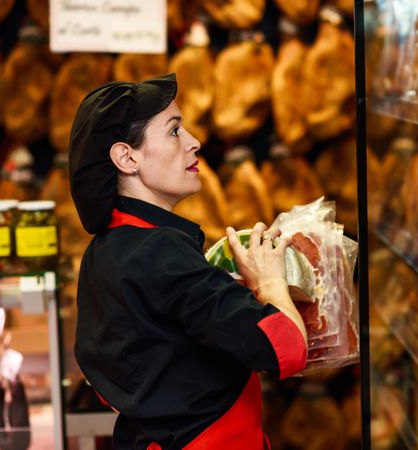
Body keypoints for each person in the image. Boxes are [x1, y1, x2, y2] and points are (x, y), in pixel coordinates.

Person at [68, 73, 307, 449]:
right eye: (174, 131)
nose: (195, 142)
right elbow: (287, 349)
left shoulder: (105, 251)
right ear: (127, 158)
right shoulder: (161, 252)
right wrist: (270, 280)